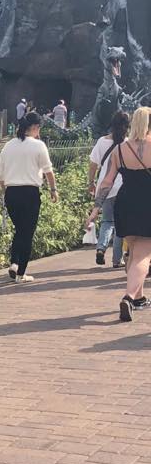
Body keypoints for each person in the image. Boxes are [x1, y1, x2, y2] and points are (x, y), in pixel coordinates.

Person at [91, 105, 151, 321]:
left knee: (133, 251)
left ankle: (139, 297)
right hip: (147, 204)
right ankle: (129, 297)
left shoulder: (120, 150)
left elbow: (106, 182)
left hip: (125, 203)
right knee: (143, 255)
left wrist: (96, 208)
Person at [0, 113, 57, 282]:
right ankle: (21, 273)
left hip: (11, 193)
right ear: (35, 127)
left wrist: (5, 192)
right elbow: (48, 171)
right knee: (27, 233)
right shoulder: (38, 145)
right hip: (30, 193)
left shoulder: (8, 146)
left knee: (20, 230)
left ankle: (14, 263)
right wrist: (53, 190)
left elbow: (0, 175)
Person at [88, 111, 129, 268]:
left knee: (107, 221)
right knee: (120, 225)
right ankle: (116, 260)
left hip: (105, 187)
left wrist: (91, 182)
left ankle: (101, 248)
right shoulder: (127, 143)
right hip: (122, 188)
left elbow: (93, 164)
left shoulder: (101, 141)